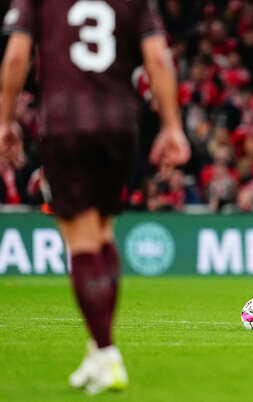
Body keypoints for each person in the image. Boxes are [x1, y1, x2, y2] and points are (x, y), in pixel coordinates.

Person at [0, 0, 190, 394]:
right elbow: (158, 57)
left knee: (81, 240)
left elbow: (17, 56)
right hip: (120, 125)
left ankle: (106, 352)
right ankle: (96, 349)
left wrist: (5, 120)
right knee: (103, 233)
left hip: (65, 122)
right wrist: (172, 125)